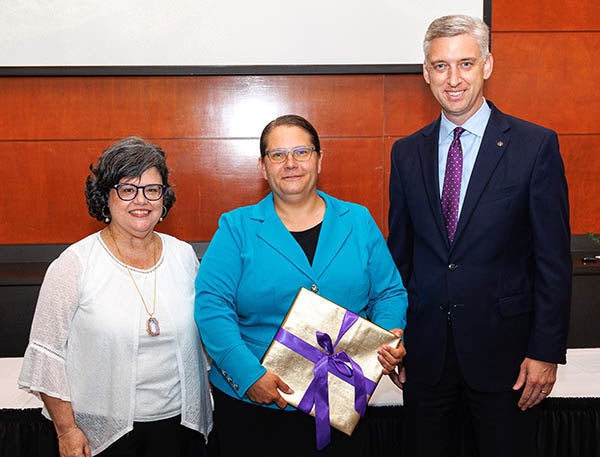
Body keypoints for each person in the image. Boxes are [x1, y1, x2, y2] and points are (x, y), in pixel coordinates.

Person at [387, 14, 572, 457]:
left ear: (487, 65)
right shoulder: (406, 151)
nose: (453, 79)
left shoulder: (535, 145)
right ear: (425, 72)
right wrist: (391, 337)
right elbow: (400, 257)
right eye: (441, 66)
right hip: (425, 359)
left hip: (507, 362)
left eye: (465, 64)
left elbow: (553, 261)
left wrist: (545, 352)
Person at [194, 114, 408, 456]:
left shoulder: (358, 221)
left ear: (319, 160)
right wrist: (248, 377)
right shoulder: (237, 227)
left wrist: (385, 339)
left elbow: (389, 293)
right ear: (263, 168)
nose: (290, 163)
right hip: (259, 405)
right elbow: (211, 308)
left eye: (301, 152)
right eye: (277, 155)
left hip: (345, 398)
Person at [18, 136, 213, 457]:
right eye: (127, 189)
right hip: (104, 433)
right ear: (104, 197)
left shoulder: (183, 256)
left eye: (152, 189)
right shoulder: (74, 264)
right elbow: (47, 354)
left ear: (164, 197)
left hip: (181, 426)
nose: (142, 200)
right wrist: (66, 430)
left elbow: (203, 340)